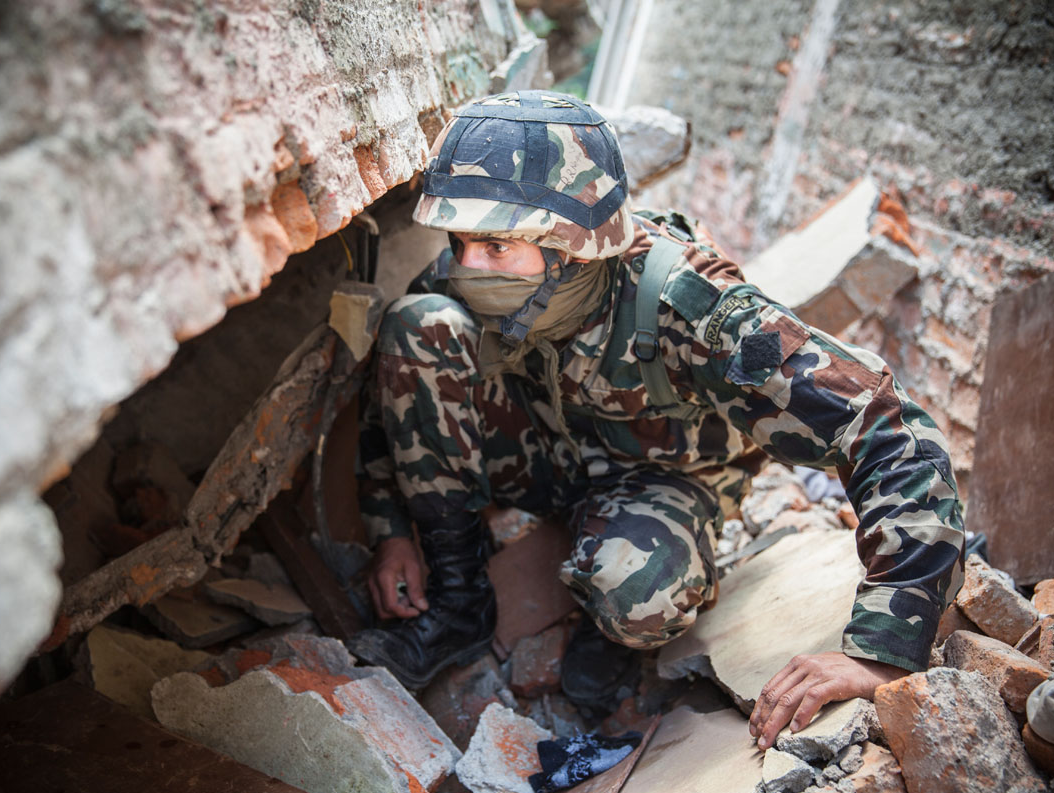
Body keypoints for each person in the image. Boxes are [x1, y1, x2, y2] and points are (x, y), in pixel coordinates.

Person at [347, 90, 965, 750]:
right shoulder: (473, 272)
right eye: (461, 240)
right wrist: (392, 530)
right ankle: (459, 601)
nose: (467, 265)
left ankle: (612, 622)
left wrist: (884, 649)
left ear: (572, 248)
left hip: (662, 480)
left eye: (496, 245)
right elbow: (395, 398)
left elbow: (888, 429)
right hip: (545, 450)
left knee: (635, 595)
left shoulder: (693, 305)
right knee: (419, 326)